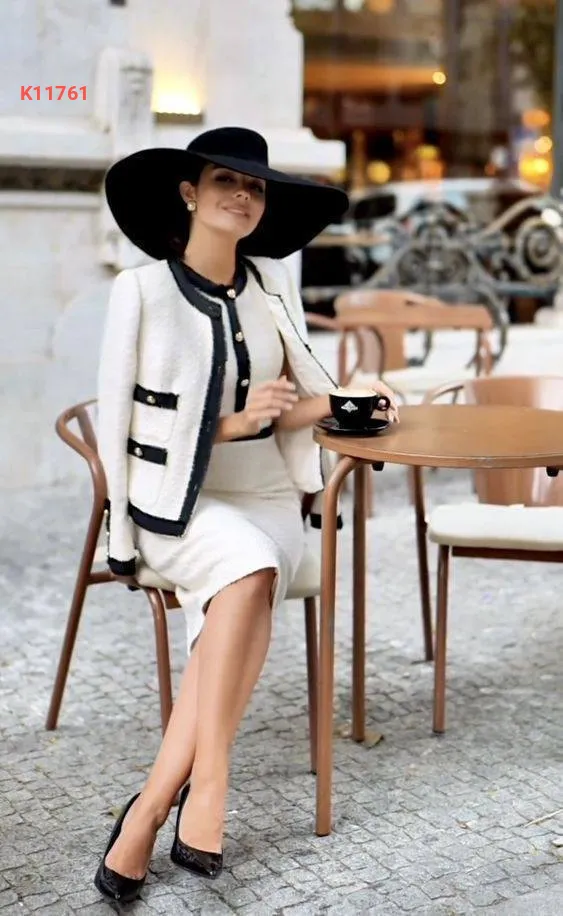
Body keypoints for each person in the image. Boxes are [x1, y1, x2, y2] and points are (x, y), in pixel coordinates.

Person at [94, 126, 399, 903]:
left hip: (266, 499)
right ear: (188, 193)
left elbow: (294, 403)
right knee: (251, 570)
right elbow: (115, 421)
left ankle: (152, 805)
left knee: (255, 573)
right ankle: (205, 785)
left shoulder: (270, 286)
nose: (241, 195)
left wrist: (350, 399)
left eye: (255, 186)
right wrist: (224, 428)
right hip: (176, 505)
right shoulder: (140, 291)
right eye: (224, 181)